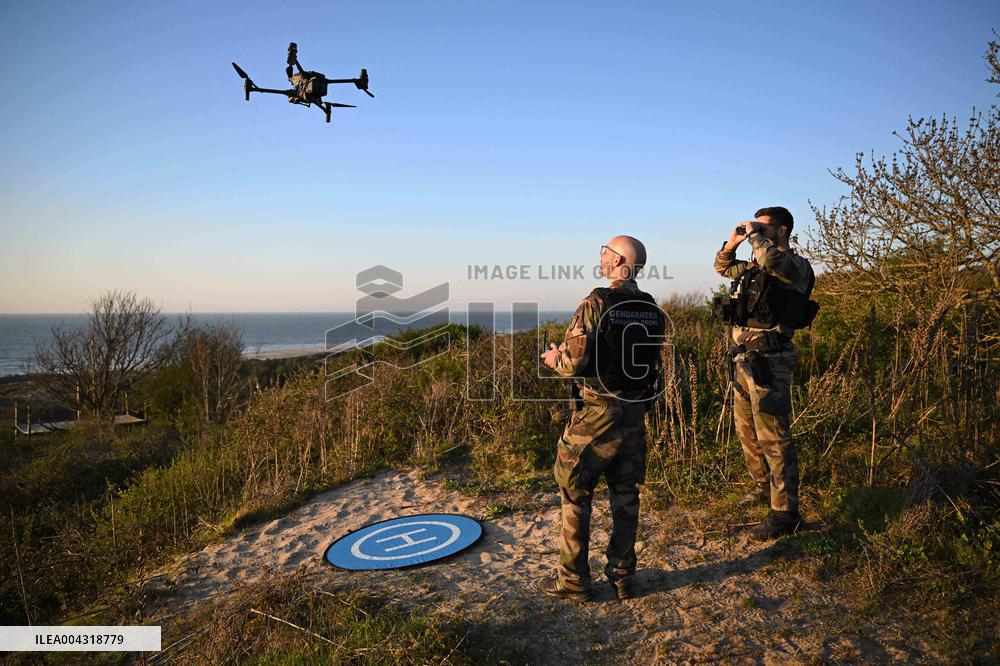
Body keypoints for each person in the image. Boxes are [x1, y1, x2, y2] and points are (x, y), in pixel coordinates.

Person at [538, 235, 666, 602]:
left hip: (597, 414)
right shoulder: (651, 307)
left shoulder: (595, 302)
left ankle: (573, 581)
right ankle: (623, 577)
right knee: (625, 495)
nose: (601, 256)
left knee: (574, 490)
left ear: (621, 261)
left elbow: (574, 363)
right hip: (634, 412)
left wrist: (553, 359)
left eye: (606, 251)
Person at [714, 206, 817, 540]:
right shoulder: (756, 267)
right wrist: (732, 243)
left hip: (771, 358)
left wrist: (755, 236)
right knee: (747, 431)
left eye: (765, 226)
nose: (756, 230)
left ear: (783, 231)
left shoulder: (795, 267)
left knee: (773, 434)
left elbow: (774, 261)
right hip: (744, 358)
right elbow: (722, 267)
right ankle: (763, 487)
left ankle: (785, 513)